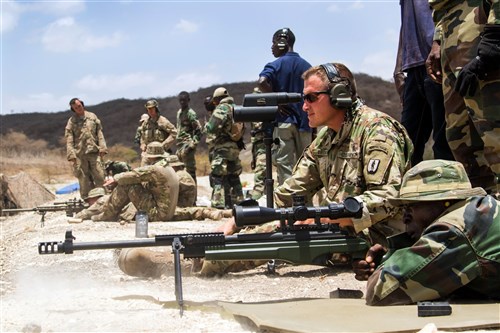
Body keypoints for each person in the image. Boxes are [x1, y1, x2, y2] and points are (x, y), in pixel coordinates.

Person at [352, 159, 500, 306]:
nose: (405, 218)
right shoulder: (476, 212)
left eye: (411, 207)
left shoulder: (454, 229)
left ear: (444, 202)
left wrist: (390, 264)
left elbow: (379, 292)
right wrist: (392, 258)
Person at [426, 0, 500, 194]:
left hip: (481, 21)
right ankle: (486, 212)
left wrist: (495, 37)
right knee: (461, 139)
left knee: (494, 132)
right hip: (450, 26)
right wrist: (439, 40)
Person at [393, 0, 453, 165]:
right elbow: (406, 23)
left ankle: (449, 189)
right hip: (413, 68)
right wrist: (398, 68)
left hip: (440, 61)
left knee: (445, 144)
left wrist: (438, 44)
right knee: (406, 146)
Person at [258, 27, 312, 185]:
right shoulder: (308, 67)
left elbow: (262, 82)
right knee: (307, 165)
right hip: (305, 122)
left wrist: (277, 100)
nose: (272, 47)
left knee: (284, 165)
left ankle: (288, 203)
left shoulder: (275, 65)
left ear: (282, 42)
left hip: (284, 121)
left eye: (273, 43)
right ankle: (306, 204)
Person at [205, 87, 244, 209]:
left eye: (215, 101)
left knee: (217, 176)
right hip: (234, 148)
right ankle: (240, 202)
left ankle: (218, 203)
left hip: (222, 148)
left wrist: (206, 125)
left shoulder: (222, 108)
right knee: (234, 176)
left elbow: (211, 127)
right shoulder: (236, 108)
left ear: (218, 99)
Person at [65, 97, 108, 200]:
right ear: (73, 109)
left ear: (82, 105)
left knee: (100, 175)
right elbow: (69, 139)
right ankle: (86, 199)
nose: (78, 109)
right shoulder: (72, 121)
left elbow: (99, 133)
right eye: (75, 108)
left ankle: (104, 198)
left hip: (94, 152)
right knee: (83, 178)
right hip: (80, 154)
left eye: (79, 106)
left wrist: (103, 148)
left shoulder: (92, 117)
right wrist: (71, 155)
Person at [176, 91, 202, 190]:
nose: (182, 102)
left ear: (188, 100)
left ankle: (193, 198)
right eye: (180, 100)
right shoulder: (179, 113)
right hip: (179, 145)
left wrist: (192, 145)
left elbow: (199, 130)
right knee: (180, 173)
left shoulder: (191, 113)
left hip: (187, 145)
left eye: (184, 100)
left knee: (190, 173)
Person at [139, 99, 177, 166]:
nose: (150, 110)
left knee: (162, 173)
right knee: (143, 172)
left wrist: (164, 145)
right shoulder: (146, 123)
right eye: (148, 109)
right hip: (148, 154)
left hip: (161, 154)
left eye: (152, 108)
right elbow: (142, 135)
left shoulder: (162, 121)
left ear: (156, 108)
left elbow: (174, 133)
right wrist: (142, 144)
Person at [247, 87, 266, 200]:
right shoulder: (255, 111)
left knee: (260, 172)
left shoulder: (266, 110)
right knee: (260, 171)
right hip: (257, 145)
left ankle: (257, 197)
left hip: (264, 144)